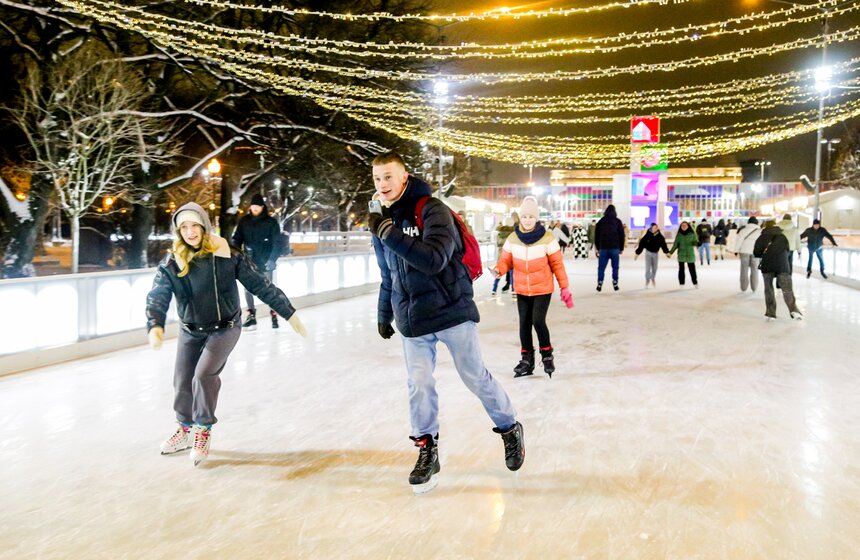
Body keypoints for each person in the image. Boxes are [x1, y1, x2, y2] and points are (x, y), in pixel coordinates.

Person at [368, 152, 524, 494]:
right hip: (412, 317)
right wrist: (384, 313)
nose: (383, 185)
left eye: (389, 177)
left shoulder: (431, 209)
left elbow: (435, 259)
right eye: (378, 178)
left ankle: (509, 426)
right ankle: (427, 449)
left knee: (474, 376)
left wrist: (388, 233)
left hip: (451, 309)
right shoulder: (380, 221)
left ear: (404, 176)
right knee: (419, 383)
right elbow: (387, 274)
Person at [146, 202, 307, 467]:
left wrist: (288, 312)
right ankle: (185, 429)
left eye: (194, 226)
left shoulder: (226, 255)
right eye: (183, 227)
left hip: (225, 327)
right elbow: (158, 295)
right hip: (191, 330)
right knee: (182, 380)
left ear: (204, 226)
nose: (190, 232)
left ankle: (203, 430)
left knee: (204, 374)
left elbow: (259, 284)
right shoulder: (172, 261)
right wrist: (155, 323)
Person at [493, 196, 572, 379]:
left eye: (531, 216)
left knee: (538, 320)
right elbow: (506, 260)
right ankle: (526, 359)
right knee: (524, 324)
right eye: (525, 216)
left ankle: (547, 356)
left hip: (542, 288)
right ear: (520, 217)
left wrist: (564, 287)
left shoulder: (547, 238)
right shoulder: (513, 238)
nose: (527, 219)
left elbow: (557, 264)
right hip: (521, 288)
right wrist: (499, 270)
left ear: (536, 218)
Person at [232, 193, 283, 331]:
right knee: (248, 289)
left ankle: (273, 314)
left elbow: (278, 242)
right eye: (253, 206)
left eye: (258, 206)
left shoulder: (271, 222)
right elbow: (237, 238)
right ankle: (251, 316)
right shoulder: (244, 221)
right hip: (249, 261)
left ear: (262, 207)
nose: (255, 208)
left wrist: (272, 259)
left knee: (267, 289)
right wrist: (234, 251)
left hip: (266, 261)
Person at [754, 220, 803, 321]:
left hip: (767, 265)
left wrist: (765, 253)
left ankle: (771, 314)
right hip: (782, 265)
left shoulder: (762, 237)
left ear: (765, 227)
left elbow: (756, 253)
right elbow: (788, 249)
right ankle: (794, 310)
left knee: (769, 289)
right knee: (787, 288)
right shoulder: (782, 236)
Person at [594, 205, 625, 292]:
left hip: (603, 248)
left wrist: (597, 247)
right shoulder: (618, 222)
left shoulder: (601, 221)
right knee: (615, 267)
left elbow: (596, 235)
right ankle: (615, 281)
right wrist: (621, 248)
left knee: (601, 267)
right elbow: (622, 235)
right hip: (615, 248)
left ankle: (600, 282)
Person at [634, 223, 669, 288]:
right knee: (647, 267)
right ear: (651, 228)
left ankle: (652, 278)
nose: (655, 229)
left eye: (656, 227)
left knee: (655, 267)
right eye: (654, 227)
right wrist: (637, 253)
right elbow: (641, 244)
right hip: (648, 253)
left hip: (655, 254)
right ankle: (647, 280)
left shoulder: (660, 236)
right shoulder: (647, 235)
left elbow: (664, 245)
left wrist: (667, 252)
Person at [732, 216, 762, 293]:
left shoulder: (743, 230)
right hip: (755, 252)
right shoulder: (759, 231)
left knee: (744, 269)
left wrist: (736, 250)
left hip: (744, 251)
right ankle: (754, 287)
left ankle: (743, 287)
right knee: (755, 269)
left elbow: (738, 241)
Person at [668, 221, 699, 288]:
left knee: (692, 269)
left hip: (690, 254)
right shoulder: (679, 235)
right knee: (681, 270)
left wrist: (698, 243)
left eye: (685, 225)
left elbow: (695, 242)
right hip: (681, 254)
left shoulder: (692, 234)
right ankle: (681, 283)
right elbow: (675, 245)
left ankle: (695, 282)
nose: (684, 227)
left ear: (688, 226)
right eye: (682, 226)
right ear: (680, 227)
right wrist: (670, 252)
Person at [492, 216, 516, 296]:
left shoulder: (499, 234)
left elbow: (497, 244)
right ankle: (513, 290)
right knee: (512, 274)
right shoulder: (513, 234)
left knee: (498, 273)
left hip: (501, 256)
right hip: (510, 256)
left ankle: (494, 290)